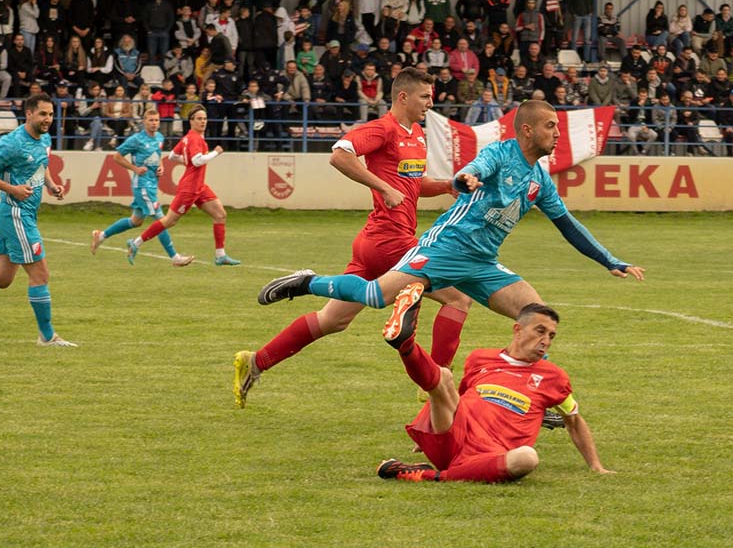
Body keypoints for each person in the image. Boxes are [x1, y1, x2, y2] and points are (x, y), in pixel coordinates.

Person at [254, 99, 644, 339]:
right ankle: (307, 282)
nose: (557, 134)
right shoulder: (500, 154)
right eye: (550, 126)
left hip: (482, 263)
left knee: (537, 319)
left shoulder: (540, 179)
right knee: (375, 296)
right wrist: (464, 178)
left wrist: (611, 260)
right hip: (444, 249)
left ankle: (524, 394)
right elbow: (472, 169)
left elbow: (568, 225)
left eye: (558, 127)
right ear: (526, 130)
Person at [232, 67, 471, 408]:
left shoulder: (416, 133)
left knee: (333, 320)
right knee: (459, 299)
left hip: (376, 241)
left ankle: (255, 362)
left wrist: (449, 185)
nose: (430, 102)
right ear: (402, 97)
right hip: (392, 243)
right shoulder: (382, 129)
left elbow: (413, 187)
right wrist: (382, 187)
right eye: (424, 96)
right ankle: (437, 380)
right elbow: (339, 155)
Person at [376, 301, 612, 483]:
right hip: (453, 437)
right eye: (540, 331)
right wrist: (426, 434)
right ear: (517, 329)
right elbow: (455, 397)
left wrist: (596, 465)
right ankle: (405, 344)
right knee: (444, 376)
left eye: (551, 335)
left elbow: (574, 421)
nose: (546, 340)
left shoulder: (554, 378)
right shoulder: (480, 358)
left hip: (488, 457)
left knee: (527, 458)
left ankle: (423, 474)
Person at [0, 94, 76, 346]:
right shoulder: (11, 143)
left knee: (2, 279)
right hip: (15, 214)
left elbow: (41, 165)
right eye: (43, 114)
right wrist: (12, 189)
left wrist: (52, 185)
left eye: (50, 114)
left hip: (17, 214)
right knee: (40, 274)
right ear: (29, 114)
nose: (48, 119)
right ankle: (47, 337)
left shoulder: (44, 138)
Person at [125, 106, 240, 266]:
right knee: (169, 221)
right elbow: (197, 160)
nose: (203, 121)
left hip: (200, 186)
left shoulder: (188, 137)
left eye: (204, 119)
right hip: (190, 188)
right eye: (199, 119)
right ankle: (136, 243)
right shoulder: (194, 138)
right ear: (191, 121)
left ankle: (220, 255)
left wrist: (186, 161)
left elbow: (172, 155)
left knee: (220, 214)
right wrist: (216, 153)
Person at [90, 108, 194, 266]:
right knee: (162, 220)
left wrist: (161, 167)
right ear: (144, 122)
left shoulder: (159, 137)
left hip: (152, 184)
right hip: (142, 186)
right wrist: (135, 169)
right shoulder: (136, 139)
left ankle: (101, 236)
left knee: (136, 221)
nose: (154, 123)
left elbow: (157, 156)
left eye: (156, 120)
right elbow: (117, 156)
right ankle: (174, 257)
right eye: (151, 120)